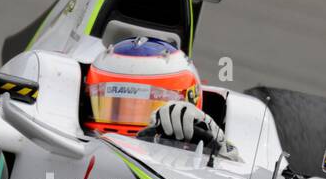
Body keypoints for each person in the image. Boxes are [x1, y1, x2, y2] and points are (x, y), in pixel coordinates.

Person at [83, 37, 222, 144]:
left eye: (143, 107)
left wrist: (217, 144)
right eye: (115, 106)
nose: (129, 115)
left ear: (190, 100)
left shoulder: (209, 144)